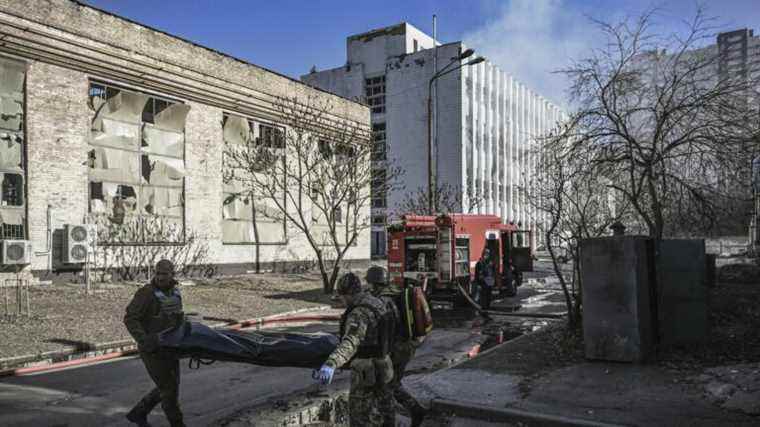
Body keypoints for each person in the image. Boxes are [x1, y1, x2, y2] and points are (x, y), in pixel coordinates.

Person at [314, 272, 395, 426]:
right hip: (385, 366)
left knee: (360, 417)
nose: (342, 301)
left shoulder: (359, 313)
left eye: (342, 297)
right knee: (386, 412)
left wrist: (331, 363)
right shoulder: (377, 302)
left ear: (348, 294)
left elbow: (351, 342)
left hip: (366, 372)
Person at [124, 259, 186, 427]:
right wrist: (144, 340)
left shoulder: (175, 292)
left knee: (170, 386)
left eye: (164, 274)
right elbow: (130, 318)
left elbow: (177, 317)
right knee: (169, 390)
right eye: (157, 273)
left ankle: (139, 412)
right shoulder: (146, 293)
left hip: (171, 348)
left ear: (172, 274)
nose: (160, 277)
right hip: (152, 350)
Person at [366, 266, 427, 427]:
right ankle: (416, 410)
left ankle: (387, 421)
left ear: (374, 283)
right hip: (408, 346)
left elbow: (385, 331)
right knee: (393, 383)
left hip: (397, 349)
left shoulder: (383, 301)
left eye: (369, 284)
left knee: (383, 386)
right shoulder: (396, 292)